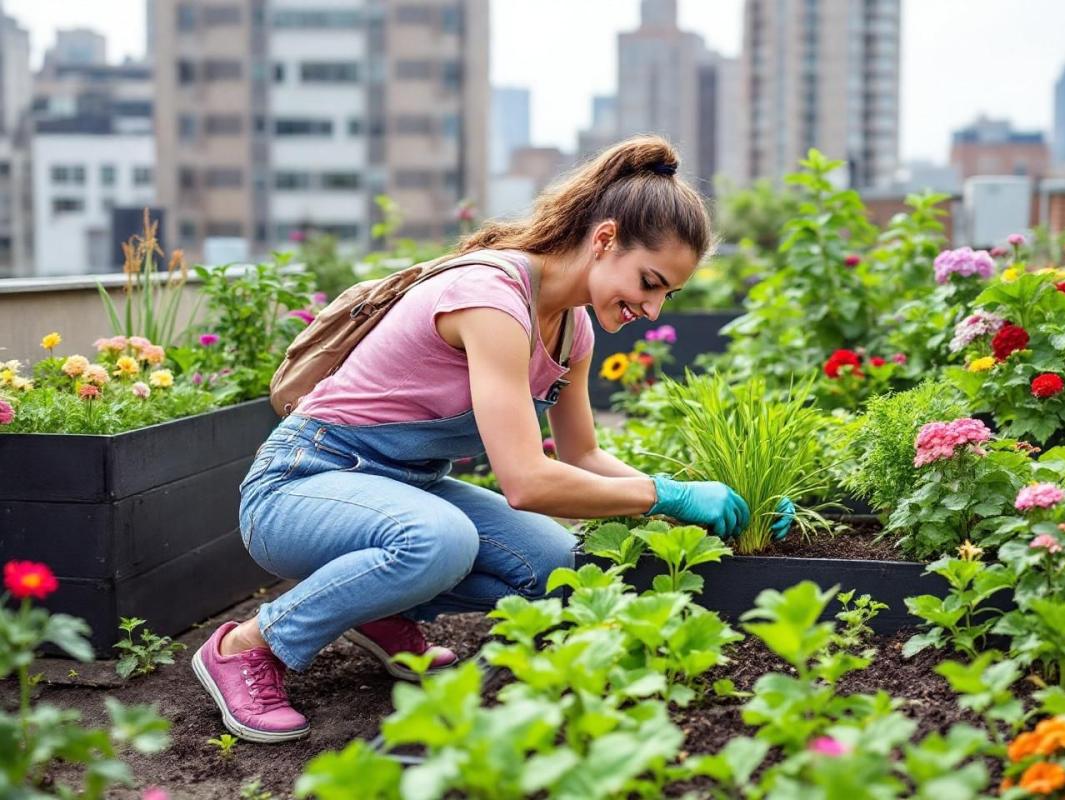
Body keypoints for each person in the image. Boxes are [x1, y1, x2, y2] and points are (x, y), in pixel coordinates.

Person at [191, 135, 769, 743]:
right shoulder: (492, 300)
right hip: (299, 485)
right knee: (437, 539)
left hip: (401, 490)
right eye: (649, 282)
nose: (652, 309)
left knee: (557, 567)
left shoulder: (573, 333)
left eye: (666, 294)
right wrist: (666, 495)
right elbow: (527, 482)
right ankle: (248, 645)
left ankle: (381, 608)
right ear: (604, 239)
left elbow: (583, 457)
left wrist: (714, 502)